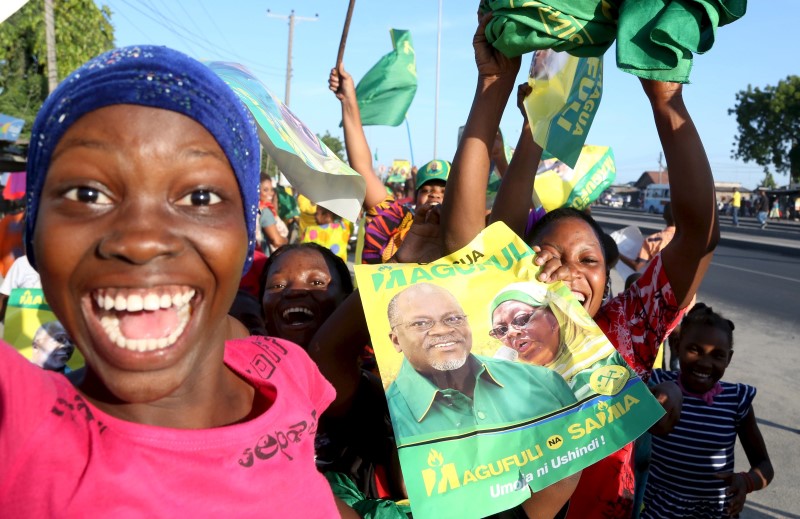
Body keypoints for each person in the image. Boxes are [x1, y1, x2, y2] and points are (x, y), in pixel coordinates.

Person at [0, 45, 356, 517]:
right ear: (35, 236)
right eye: (87, 193)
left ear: (244, 233)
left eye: (201, 196)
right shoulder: (23, 431)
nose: (143, 240)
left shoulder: (286, 367)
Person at [438, 13, 717, 518]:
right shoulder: (502, 321)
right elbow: (471, 241)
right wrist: (513, 107)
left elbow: (699, 235)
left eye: (588, 259)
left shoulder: (628, 328)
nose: (568, 269)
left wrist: (666, 100)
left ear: (609, 282)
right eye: (551, 255)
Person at [260, 243, 406, 504]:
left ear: (345, 301)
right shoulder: (244, 385)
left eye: (316, 282)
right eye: (277, 285)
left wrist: (404, 261)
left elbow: (327, 355)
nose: (294, 292)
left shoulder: (376, 389)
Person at [385, 283, 577, 440]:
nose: (442, 330)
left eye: (453, 318)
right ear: (396, 340)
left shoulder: (544, 381)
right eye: (421, 323)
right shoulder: (388, 418)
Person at [642, 304, 774, 518]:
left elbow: (764, 466)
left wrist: (746, 481)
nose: (705, 363)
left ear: (729, 359)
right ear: (676, 346)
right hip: (660, 508)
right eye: (694, 349)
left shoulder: (736, 400)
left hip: (715, 512)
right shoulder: (657, 385)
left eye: (718, 355)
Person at [328, 64, 450, 264]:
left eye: (444, 191)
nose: (435, 194)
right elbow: (363, 168)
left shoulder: (470, 238)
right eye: (426, 190)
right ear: (416, 197)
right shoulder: (395, 220)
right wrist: (348, 98)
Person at [488, 282, 626, 401]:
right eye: (501, 330)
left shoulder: (614, 350)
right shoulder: (521, 393)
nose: (511, 332)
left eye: (521, 319)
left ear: (555, 312)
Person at [258, 174, 288, 255]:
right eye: (265, 190)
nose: (270, 193)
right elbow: (276, 241)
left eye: (271, 189)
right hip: (262, 257)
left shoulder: (252, 208)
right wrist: (286, 240)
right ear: (257, 191)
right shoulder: (265, 211)